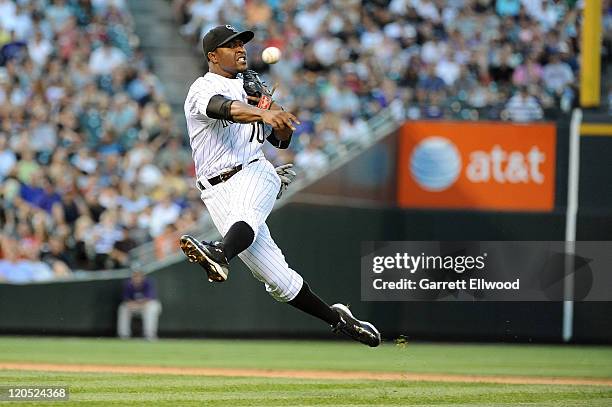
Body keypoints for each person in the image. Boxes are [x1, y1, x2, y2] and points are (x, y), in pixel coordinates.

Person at [179, 25, 380, 347]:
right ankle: (339, 319)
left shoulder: (250, 90)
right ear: (213, 56)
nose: (241, 48)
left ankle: (219, 252)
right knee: (277, 281)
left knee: (245, 216)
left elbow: (279, 139)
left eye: (242, 43)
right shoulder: (203, 88)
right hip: (215, 191)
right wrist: (263, 112)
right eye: (231, 45)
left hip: (254, 172)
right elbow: (224, 108)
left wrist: (278, 118)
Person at [117, 268, 162, 340]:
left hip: (147, 305)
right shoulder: (128, 284)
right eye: (135, 275)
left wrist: (139, 304)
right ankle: (124, 335)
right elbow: (126, 299)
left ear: (142, 276)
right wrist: (132, 304)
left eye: (139, 275)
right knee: (123, 308)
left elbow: (149, 298)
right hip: (134, 306)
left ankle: (149, 335)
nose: (137, 277)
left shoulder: (148, 282)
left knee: (151, 307)